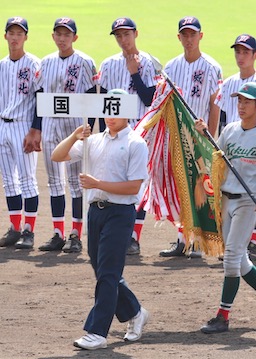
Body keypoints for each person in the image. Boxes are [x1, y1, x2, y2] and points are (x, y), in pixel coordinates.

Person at [51, 88, 150, 350]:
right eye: (107, 109)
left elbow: (133, 188)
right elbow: (57, 156)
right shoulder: (93, 140)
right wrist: (75, 135)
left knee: (107, 272)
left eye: (116, 109)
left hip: (120, 213)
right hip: (96, 212)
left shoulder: (136, 144)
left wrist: (97, 183)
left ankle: (97, 332)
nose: (110, 115)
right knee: (104, 271)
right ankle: (135, 311)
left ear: (127, 111)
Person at [195, 82, 256, 333]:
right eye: (239, 101)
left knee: (232, 256)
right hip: (225, 199)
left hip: (248, 202)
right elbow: (217, 157)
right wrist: (205, 135)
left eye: (247, 102)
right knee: (240, 259)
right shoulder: (230, 130)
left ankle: (223, 316)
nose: (241, 106)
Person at [24, 17, 97, 253]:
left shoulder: (85, 62)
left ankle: (75, 235)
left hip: (76, 128)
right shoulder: (45, 62)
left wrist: (90, 131)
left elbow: (92, 98)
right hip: (52, 126)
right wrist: (37, 127)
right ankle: (57, 233)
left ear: (74, 37)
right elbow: (40, 98)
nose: (62, 38)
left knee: (76, 183)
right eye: (58, 34)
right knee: (54, 182)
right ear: (53, 36)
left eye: (67, 34)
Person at [160, 16, 223, 258]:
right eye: (184, 35)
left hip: (199, 137)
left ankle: (198, 241)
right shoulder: (171, 67)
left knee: (198, 189)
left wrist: (210, 136)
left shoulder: (211, 67)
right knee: (179, 187)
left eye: (192, 34)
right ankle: (182, 239)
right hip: (175, 137)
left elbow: (214, 105)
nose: (188, 39)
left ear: (200, 36)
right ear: (179, 37)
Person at [98, 17, 159, 256]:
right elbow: (101, 101)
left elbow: (150, 100)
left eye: (126, 34)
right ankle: (117, 234)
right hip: (113, 133)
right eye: (118, 35)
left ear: (136, 34)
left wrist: (135, 74)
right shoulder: (108, 64)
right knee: (114, 181)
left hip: (140, 133)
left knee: (138, 186)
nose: (123, 39)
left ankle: (134, 237)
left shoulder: (149, 63)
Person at [214, 33, 256, 262]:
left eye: (245, 52)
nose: (241, 56)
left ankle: (253, 242)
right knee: (231, 193)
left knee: (253, 193)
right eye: (237, 51)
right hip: (231, 145)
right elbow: (221, 119)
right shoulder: (228, 83)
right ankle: (232, 244)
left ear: (255, 55)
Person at [0, 17, 40, 249]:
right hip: (3, 126)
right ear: (5, 36)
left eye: (19, 33)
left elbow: (40, 100)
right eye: (11, 33)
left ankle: (29, 231)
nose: (15, 37)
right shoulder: (2, 65)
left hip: (24, 125)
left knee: (27, 180)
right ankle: (15, 228)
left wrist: (35, 130)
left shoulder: (34, 64)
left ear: (25, 37)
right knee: (9, 181)